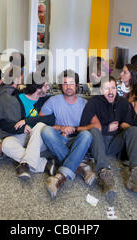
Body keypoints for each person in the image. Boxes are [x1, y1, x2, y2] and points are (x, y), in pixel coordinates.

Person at [81, 77, 137, 198]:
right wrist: (106, 128)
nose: (110, 92)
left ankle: (136, 173)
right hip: (97, 142)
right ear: (101, 90)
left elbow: (126, 123)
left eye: (113, 88)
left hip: (115, 143)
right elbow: (84, 126)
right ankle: (105, 173)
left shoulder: (123, 103)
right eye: (107, 88)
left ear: (117, 89)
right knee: (94, 130)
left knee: (134, 130)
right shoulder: (93, 102)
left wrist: (127, 129)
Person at [40, 70, 94, 199]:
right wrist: (61, 127)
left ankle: (60, 177)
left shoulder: (84, 104)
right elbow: (40, 121)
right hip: (59, 139)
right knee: (45, 131)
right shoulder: (53, 100)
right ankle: (80, 165)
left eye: (71, 83)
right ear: (61, 86)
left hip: (76, 140)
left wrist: (74, 129)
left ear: (76, 85)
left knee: (87, 135)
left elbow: (93, 125)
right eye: (65, 83)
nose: (68, 86)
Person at [0, 72, 56, 180]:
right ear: (38, 88)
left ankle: (25, 165)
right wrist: (21, 127)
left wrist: (27, 121)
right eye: (46, 85)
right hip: (22, 135)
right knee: (6, 144)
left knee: (39, 126)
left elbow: (51, 119)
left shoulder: (47, 100)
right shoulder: (16, 99)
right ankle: (44, 164)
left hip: (39, 138)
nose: (48, 88)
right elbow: (4, 122)